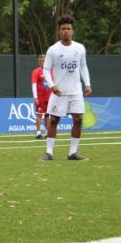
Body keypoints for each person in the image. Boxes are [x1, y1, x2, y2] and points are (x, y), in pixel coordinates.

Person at [42, 15, 92, 160]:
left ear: (72, 31)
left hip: (76, 91)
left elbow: (83, 66)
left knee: (78, 119)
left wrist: (87, 84)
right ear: (59, 31)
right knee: (53, 121)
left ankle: (72, 152)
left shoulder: (80, 48)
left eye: (68, 29)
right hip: (59, 93)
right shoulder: (53, 50)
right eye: (63, 29)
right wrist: (52, 86)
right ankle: (49, 152)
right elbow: (46, 69)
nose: (66, 31)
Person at [31, 55, 51, 139]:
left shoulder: (50, 71)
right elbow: (34, 84)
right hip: (40, 98)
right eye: (41, 61)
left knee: (48, 115)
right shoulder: (36, 71)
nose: (43, 62)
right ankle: (38, 134)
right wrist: (35, 97)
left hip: (49, 97)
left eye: (44, 61)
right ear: (39, 62)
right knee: (39, 115)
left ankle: (47, 133)